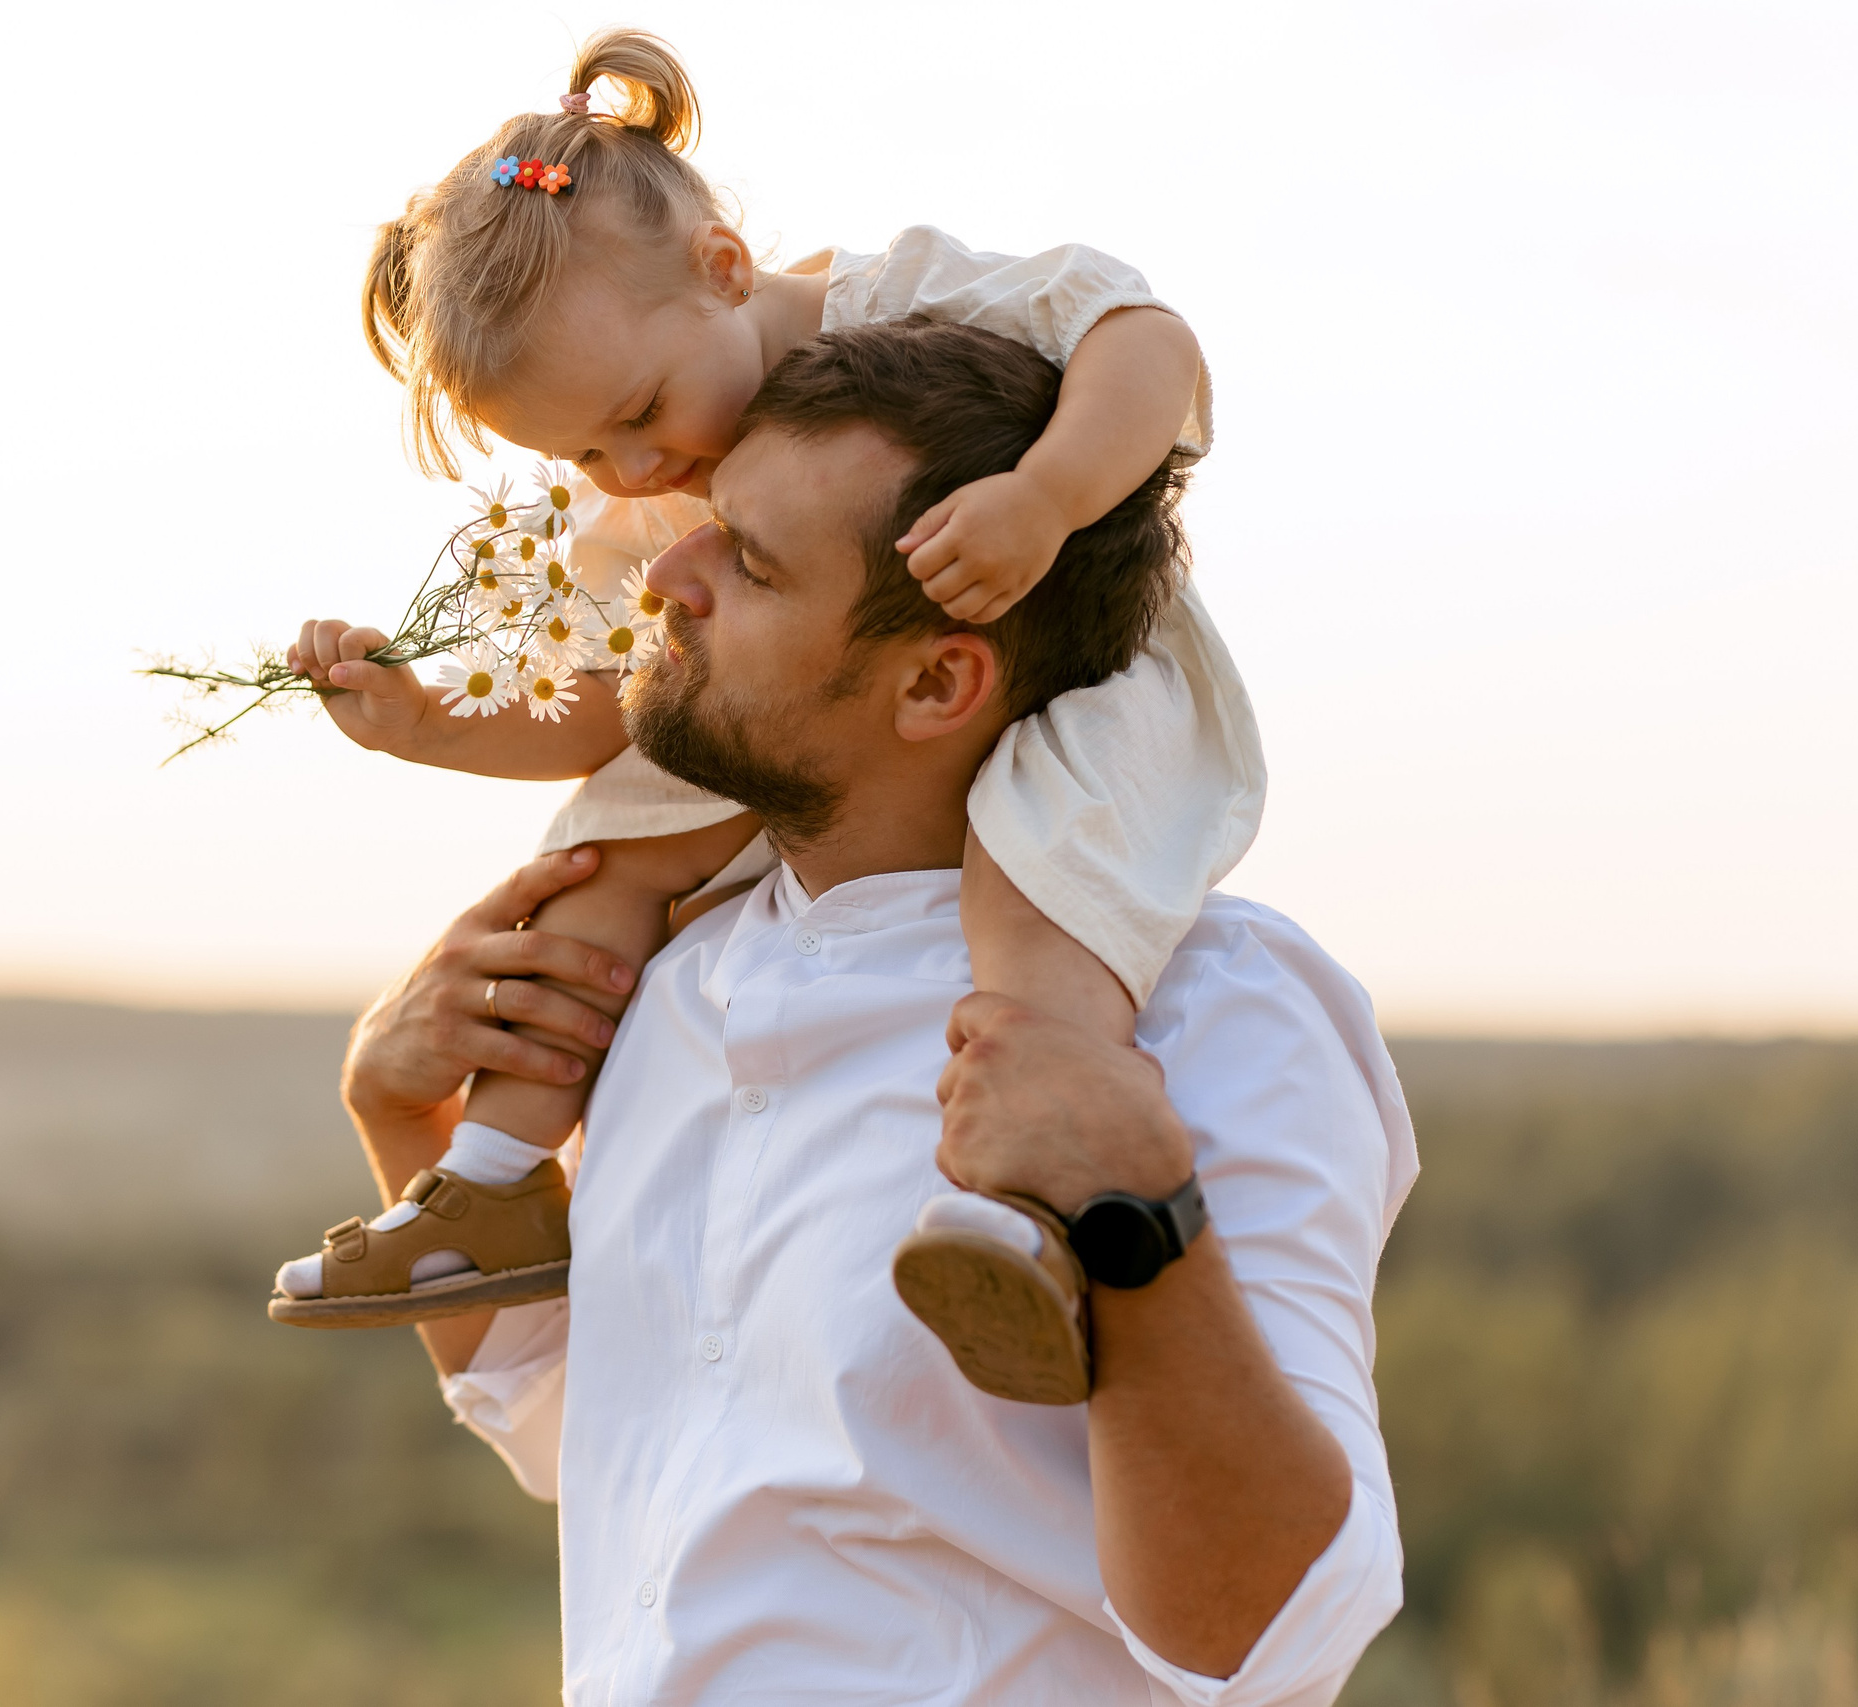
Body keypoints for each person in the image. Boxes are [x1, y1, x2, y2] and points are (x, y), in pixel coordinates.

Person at [324, 317, 1415, 1703]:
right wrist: (403, 1115)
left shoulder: (1212, 1014)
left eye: (753, 562)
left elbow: (1275, 1633)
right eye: (709, 524)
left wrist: (1138, 1219)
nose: (668, 573)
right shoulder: (674, 988)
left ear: (938, 679)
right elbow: (585, 1429)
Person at [271, 28, 1261, 1409]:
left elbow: (1139, 339)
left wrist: (1046, 494)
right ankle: (492, 1183)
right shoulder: (657, 498)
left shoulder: (898, 301)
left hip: (1069, 668)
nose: (633, 467)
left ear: (726, 272)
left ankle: (1018, 1199)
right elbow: (614, 708)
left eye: (639, 414)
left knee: (1048, 887)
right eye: (580, 455)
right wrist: (428, 724)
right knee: (597, 859)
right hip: (807, 699)